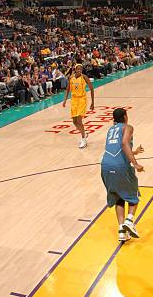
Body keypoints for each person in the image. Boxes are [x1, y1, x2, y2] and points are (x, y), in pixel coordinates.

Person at [101, 108, 145, 242]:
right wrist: (135, 163)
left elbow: (117, 148)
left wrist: (134, 152)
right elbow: (124, 143)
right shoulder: (128, 127)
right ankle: (129, 221)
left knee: (119, 197)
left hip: (105, 166)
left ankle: (121, 231)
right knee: (134, 196)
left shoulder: (111, 130)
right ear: (125, 116)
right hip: (120, 167)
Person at [62, 64, 95, 149]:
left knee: (79, 120)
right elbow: (67, 89)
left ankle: (83, 139)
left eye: (81, 69)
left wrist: (92, 102)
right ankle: (83, 132)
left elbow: (91, 88)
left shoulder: (84, 77)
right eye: (78, 69)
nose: (80, 70)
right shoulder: (71, 78)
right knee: (74, 121)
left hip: (82, 99)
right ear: (75, 69)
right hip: (74, 100)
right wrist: (65, 100)